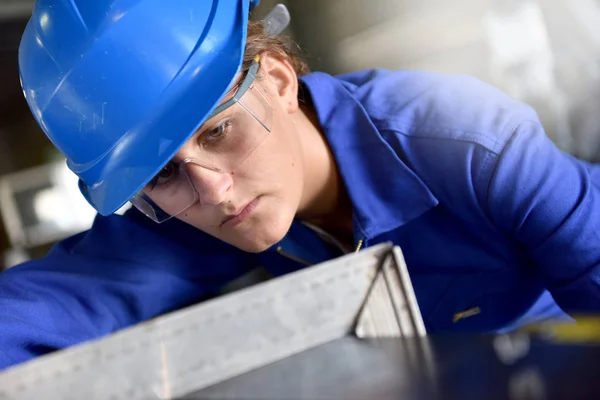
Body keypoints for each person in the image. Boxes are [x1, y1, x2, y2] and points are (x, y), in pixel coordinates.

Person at [1, 0, 599, 370]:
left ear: (280, 80)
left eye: (219, 132)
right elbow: (35, 313)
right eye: (162, 172)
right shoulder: (194, 212)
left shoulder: (467, 144)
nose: (214, 193)